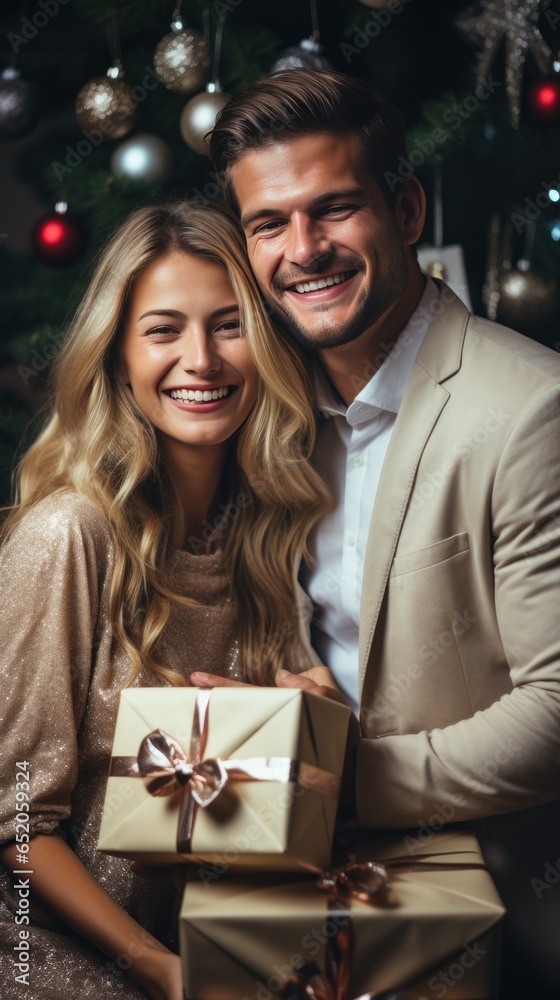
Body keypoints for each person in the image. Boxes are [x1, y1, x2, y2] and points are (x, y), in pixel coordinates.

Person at [187, 69, 560, 996]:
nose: (303, 250)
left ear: (405, 208)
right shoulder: (264, 409)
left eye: (335, 210)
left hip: (496, 917)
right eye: (269, 225)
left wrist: (344, 782)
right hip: (286, 893)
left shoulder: (530, 407)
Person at [0, 199, 331, 1000]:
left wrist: (314, 734)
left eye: (228, 326)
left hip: (205, 947)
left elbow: (249, 820)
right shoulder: (69, 536)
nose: (202, 360)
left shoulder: (267, 538)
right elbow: (13, 822)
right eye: (162, 330)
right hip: (50, 960)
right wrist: (151, 968)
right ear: (116, 360)